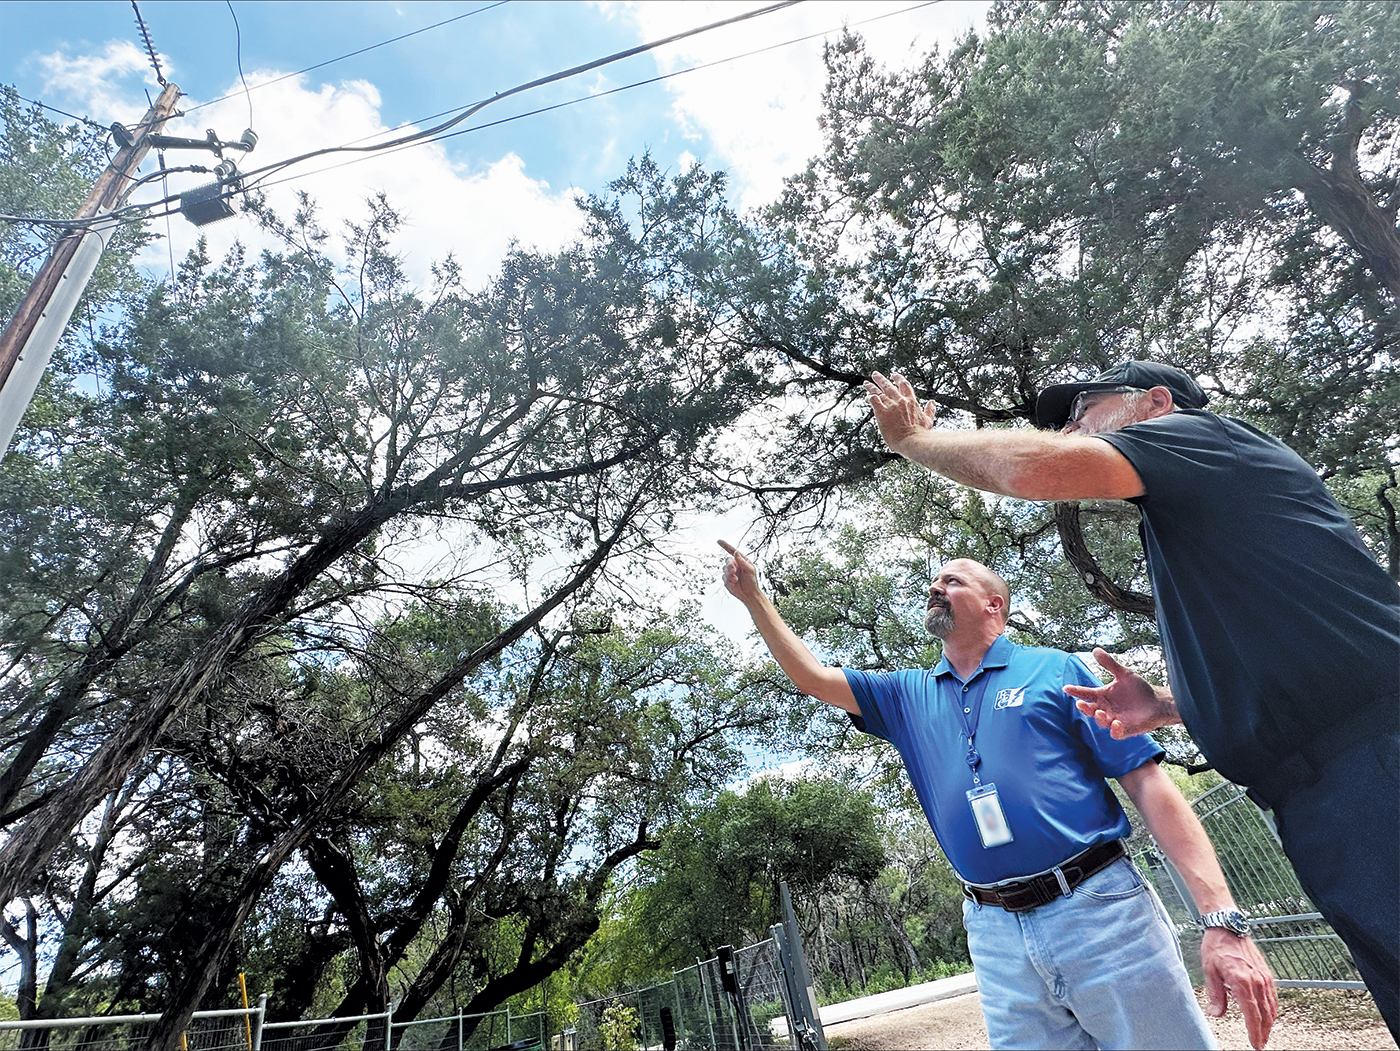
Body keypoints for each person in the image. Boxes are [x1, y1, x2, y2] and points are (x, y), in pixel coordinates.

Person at [863, 361, 1400, 1036]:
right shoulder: (1194, 513)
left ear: (1154, 401)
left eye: (1085, 406)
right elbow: (1299, 660)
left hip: (1372, 762)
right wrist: (1173, 705)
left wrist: (913, 441)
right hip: (1325, 791)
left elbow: (1036, 470)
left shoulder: (1200, 438)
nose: (1069, 426)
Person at [718, 544, 1277, 1050]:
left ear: (994, 607)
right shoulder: (906, 694)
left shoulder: (1056, 670)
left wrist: (1219, 916)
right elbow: (812, 677)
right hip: (993, 929)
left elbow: (1149, 783)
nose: (936, 586)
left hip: (1099, 910)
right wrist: (754, 599)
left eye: (953, 580)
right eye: (933, 580)